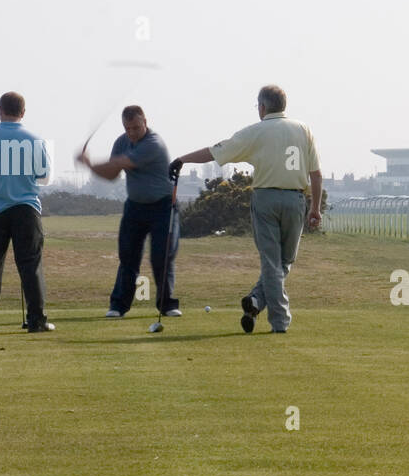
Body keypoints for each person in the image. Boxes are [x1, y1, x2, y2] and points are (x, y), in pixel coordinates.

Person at [171, 85, 322, 334]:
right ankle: (267, 309)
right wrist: (315, 208)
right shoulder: (303, 129)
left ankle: (270, 313)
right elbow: (315, 174)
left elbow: (215, 151)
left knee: (274, 263)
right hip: (296, 200)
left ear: (262, 107)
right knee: (283, 262)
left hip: (265, 199)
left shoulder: (255, 131)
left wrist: (181, 159)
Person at [75, 106, 180, 319]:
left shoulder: (153, 143)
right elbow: (112, 174)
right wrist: (91, 167)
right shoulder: (121, 142)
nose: (132, 133)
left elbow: (123, 162)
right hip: (135, 206)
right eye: (128, 128)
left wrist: (89, 161)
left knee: (162, 256)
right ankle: (118, 306)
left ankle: (167, 305)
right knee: (128, 257)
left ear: (145, 122)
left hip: (163, 206)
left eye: (136, 127)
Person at [0, 91, 53, 334]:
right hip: (27, 209)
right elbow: (44, 178)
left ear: (0, 110)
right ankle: (37, 320)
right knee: (30, 266)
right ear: (23, 112)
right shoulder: (36, 140)